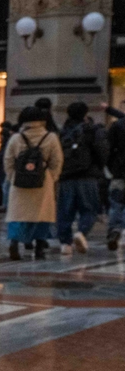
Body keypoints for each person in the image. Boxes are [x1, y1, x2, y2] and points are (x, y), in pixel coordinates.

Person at [3, 107, 62, 261]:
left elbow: (8, 160)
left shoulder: (16, 138)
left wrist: (12, 177)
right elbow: (57, 161)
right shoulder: (50, 137)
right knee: (42, 215)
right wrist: (51, 177)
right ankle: (40, 247)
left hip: (20, 180)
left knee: (18, 214)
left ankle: (14, 242)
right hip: (43, 181)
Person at [56, 101, 109, 255]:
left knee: (65, 211)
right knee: (89, 209)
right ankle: (81, 232)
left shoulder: (63, 131)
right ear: (85, 113)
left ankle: (65, 244)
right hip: (87, 176)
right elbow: (102, 151)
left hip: (66, 177)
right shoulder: (91, 130)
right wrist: (99, 167)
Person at [105, 103, 125, 252]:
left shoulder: (117, 126)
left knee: (116, 203)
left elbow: (108, 149)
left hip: (119, 171)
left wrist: (112, 168)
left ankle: (115, 229)